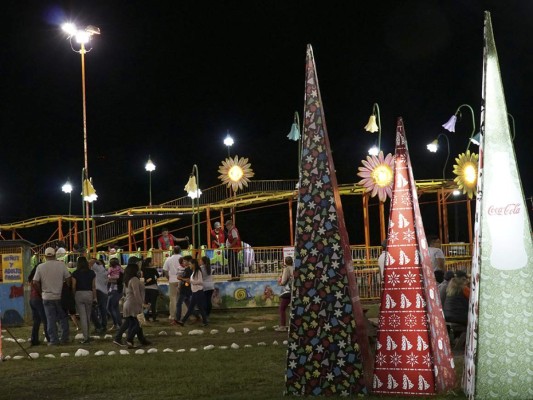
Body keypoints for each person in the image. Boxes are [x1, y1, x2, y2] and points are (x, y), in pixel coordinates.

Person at [33, 247, 71, 346]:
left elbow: (35, 281)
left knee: (50, 319)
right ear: (54, 255)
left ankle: (53, 340)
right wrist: (66, 287)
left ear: (45, 256)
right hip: (59, 296)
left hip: (47, 297)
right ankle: (64, 338)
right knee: (63, 318)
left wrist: (41, 291)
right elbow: (68, 278)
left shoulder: (40, 267)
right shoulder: (61, 265)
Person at [113, 259, 151, 348]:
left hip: (128, 303)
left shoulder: (127, 280)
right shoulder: (134, 279)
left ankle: (120, 338)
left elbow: (125, 292)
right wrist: (143, 304)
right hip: (133, 304)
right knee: (139, 323)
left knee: (129, 322)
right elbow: (136, 293)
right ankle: (129, 340)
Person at [72, 256, 97, 344]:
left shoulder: (75, 273)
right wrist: (95, 298)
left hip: (79, 294)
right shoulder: (92, 273)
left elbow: (74, 286)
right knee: (88, 316)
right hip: (89, 294)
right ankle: (88, 335)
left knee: (82, 316)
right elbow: (94, 287)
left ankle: (85, 337)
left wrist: (74, 295)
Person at [176, 258, 208, 327]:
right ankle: (205, 322)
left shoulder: (198, 271)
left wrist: (191, 281)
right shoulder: (193, 272)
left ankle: (183, 321)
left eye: (190, 264)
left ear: (194, 264)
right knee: (193, 308)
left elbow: (200, 282)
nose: (189, 265)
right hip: (195, 292)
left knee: (194, 308)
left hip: (198, 292)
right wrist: (187, 280)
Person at [28, 264, 50, 346]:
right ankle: (49, 338)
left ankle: (34, 340)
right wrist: (41, 293)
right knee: (45, 320)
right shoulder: (37, 277)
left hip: (32, 300)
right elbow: (37, 286)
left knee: (36, 321)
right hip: (38, 300)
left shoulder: (31, 277)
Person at [162, 246, 183, 321]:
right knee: (182, 298)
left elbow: (165, 270)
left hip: (172, 280)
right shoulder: (182, 258)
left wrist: (168, 278)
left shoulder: (169, 259)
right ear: (180, 251)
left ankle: (172, 315)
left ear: (173, 251)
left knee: (173, 298)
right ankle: (182, 315)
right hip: (181, 280)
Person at [90, 258, 109, 333]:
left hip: (98, 291)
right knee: (102, 311)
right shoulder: (104, 271)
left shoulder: (98, 269)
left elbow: (91, 261)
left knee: (92, 310)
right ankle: (103, 326)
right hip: (104, 292)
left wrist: (95, 261)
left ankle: (98, 326)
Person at [276, 256, 294, 332]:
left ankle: (283, 326)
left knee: (282, 308)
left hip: (288, 291)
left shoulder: (286, 269)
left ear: (285, 262)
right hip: (294, 290)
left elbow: (283, 282)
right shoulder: (293, 268)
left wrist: (279, 282)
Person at [173, 256, 193, 324]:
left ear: (188, 261)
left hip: (185, 289)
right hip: (186, 289)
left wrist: (180, 278)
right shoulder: (187, 269)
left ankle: (177, 319)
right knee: (189, 305)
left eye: (184, 261)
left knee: (179, 304)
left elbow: (187, 280)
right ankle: (198, 316)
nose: (183, 262)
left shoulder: (188, 270)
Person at [107, 257, 124, 331]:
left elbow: (107, 276)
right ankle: (118, 324)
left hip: (115, 290)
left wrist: (111, 279)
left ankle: (116, 324)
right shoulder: (120, 269)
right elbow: (122, 276)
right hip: (117, 289)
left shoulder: (110, 269)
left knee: (111, 307)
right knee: (115, 307)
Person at [142, 257, 160, 322]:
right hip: (153, 288)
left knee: (146, 304)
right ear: (149, 263)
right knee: (153, 304)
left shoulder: (143, 269)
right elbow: (158, 276)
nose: (153, 262)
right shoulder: (153, 269)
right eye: (152, 261)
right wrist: (153, 278)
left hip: (146, 288)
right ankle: (154, 318)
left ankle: (146, 318)